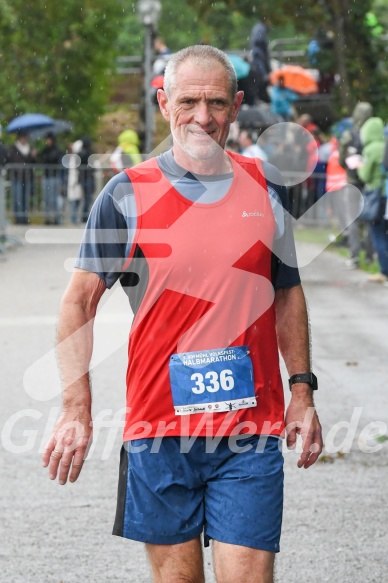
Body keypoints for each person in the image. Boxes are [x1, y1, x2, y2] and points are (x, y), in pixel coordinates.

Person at [42, 45, 322, 583]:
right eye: (188, 101)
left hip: (250, 428)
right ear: (163, 101)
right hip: (159, 428)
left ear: (237, 105)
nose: (202, 117)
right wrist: (76, 409)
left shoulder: (264, 188)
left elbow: (286, 292)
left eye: (216, 102)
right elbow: (78, 300)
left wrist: (303, 391)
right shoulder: (126, 194)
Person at [339, 102, 374, 269]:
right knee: (370, 219)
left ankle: (354, 256)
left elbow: (341, 159)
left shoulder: (349, 134)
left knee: (352, 219)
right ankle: (369, 255)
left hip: (352, 181)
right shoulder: (374, 135)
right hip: (369, 182)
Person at [357, 117, 388, 284]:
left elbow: (365, 175)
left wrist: (359, 166)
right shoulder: (385, 145)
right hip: (386, 194)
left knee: (378, 234)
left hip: (376, 196)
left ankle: (384, 271)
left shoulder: (371, 149)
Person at [9, 131, 36, 224]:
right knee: (17, 199)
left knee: (25, 199)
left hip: (26, 177)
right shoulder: (13, 148)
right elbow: (13, 160)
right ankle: (18, 218)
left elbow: (32, 162)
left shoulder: (29, 148)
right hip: (17, 177)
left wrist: (32, 156)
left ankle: (24, 218)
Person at [39, 132, 64, 225]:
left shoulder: (56, 149)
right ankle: (48, 218)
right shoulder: (45, 149)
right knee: (47, 199)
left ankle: (56, 218)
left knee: (54, 199)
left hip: (54, 176)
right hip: (47, 176)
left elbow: (52, 158)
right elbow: (41, 158)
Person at [78, 136, 95, 223]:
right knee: (88, 198)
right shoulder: (87, 153)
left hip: (83, 178)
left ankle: (85, 216)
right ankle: (85, 216)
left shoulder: (80, 153)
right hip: (87, 177)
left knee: (86, 198)